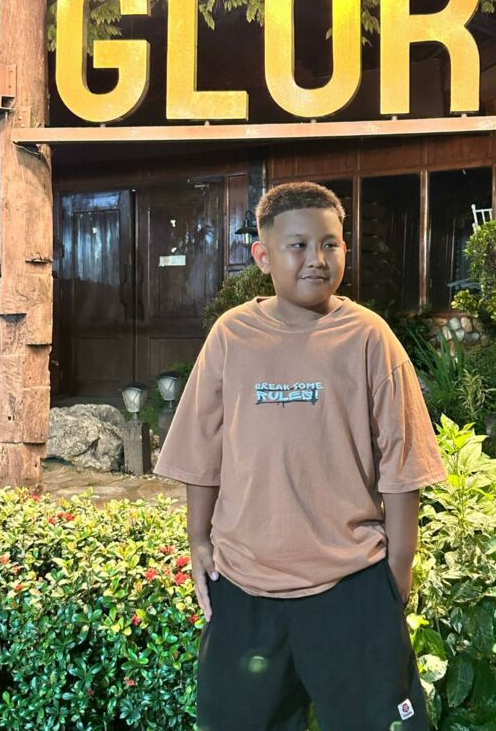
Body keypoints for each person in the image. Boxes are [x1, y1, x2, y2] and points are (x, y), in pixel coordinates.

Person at [154, 181, 448, 731]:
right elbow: (201, 450)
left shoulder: (369, 338)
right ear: (263, 255)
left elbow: (403, 466)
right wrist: (198, 541)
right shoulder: (231, 336)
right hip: (244, 589)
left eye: (330, 244)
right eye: (299, 246)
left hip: (352, 588)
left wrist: (396, 577)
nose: (317, 258)